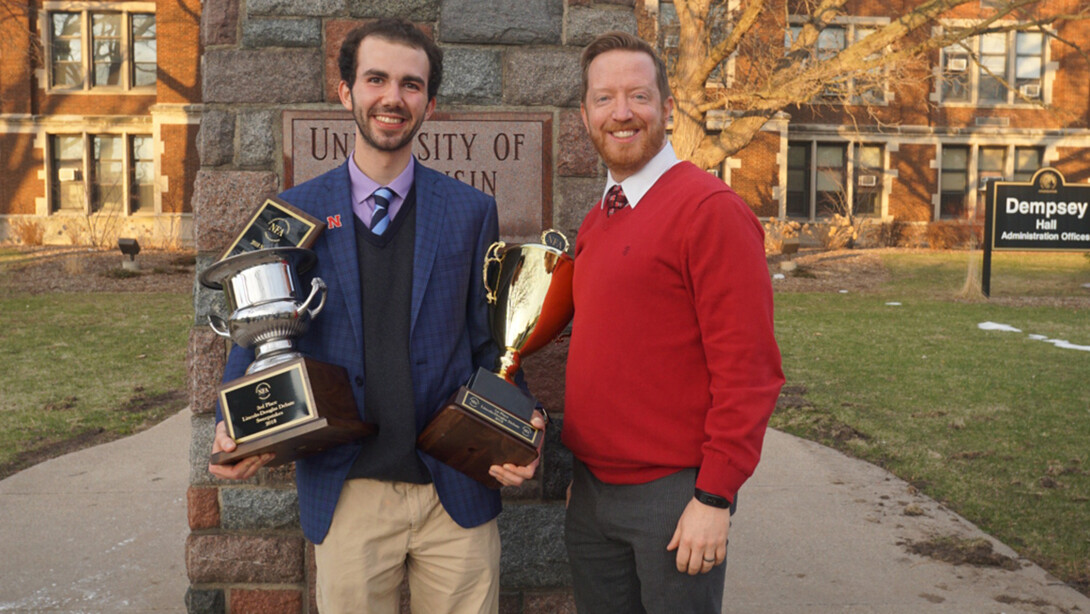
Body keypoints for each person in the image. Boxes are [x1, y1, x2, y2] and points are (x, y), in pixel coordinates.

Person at [208, 18, 541, 614]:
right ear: (347, 92)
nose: (394, 97)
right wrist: (233, 422)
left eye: (411, 85)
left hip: (453, 493)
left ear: (429, 104)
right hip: (348, 489)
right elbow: (254, 329)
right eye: (377, 79)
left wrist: (523, 422)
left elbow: (494, 342)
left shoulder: (470, 211)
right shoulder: (291, 212)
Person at [563, 31, 784, 613]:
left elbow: (750, 370)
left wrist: (714, 496)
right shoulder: (598, 219)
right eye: (604, 99)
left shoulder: (710, 212)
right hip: (591, 493)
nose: (622, 113)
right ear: (585, 114)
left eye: (637, 95)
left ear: (666, 107)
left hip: (673, 499)